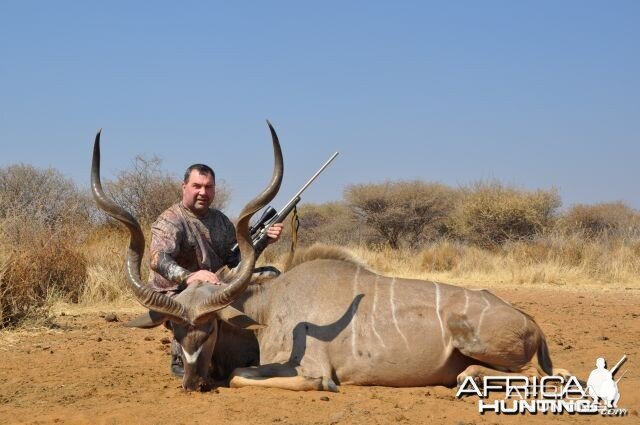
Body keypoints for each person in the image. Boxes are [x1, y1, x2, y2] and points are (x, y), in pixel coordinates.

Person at [147, 163, 283, 376]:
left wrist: (264, 241)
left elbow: (235, 263)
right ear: (184, 187)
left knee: (271, 275)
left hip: (212, 289)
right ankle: (179, 353)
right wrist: (190, 276)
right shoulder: (171, 219)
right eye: (197, 186)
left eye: (209, 187)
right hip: (177, 294)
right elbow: (157, 259)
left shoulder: (220, 221)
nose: (203, 192)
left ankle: (273, 337)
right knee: (190, 308)